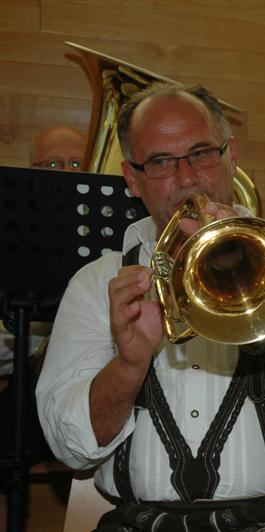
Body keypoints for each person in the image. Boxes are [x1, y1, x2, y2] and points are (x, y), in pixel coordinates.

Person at [35, 83, 265, 531]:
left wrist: (264, 290)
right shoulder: (96, 283)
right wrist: (128, 366)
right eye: (161, 161)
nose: (187, 178)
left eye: (202, 153)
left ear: (231, 156)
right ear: (131, 178)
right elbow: (69, 447)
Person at [0, 124, 88, 532]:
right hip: (33, 379)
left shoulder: (116, 224)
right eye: (53, 165)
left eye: (76, 164)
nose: (66, 173)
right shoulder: (13, 229)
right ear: (32, 170)